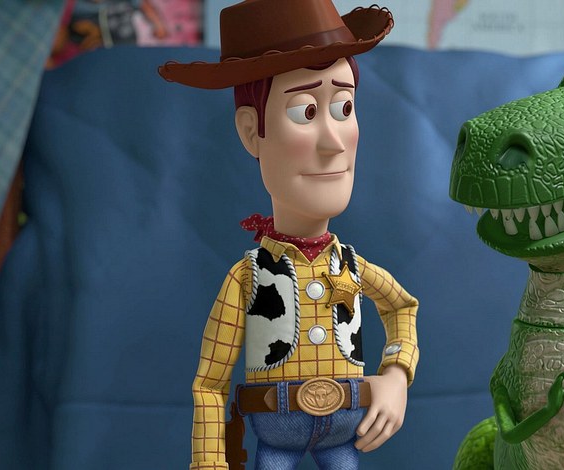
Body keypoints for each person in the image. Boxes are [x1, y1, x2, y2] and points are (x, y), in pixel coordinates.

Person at [159, 1, 418, 468]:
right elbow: (210, 385)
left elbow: (402, 307)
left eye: (344, 107)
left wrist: (397, 374)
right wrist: (210, 462)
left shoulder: (351, 267)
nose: (333, 141)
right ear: (251, 132)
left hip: (345, 435)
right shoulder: (249, 277)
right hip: (275, 436)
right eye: (305, 111)